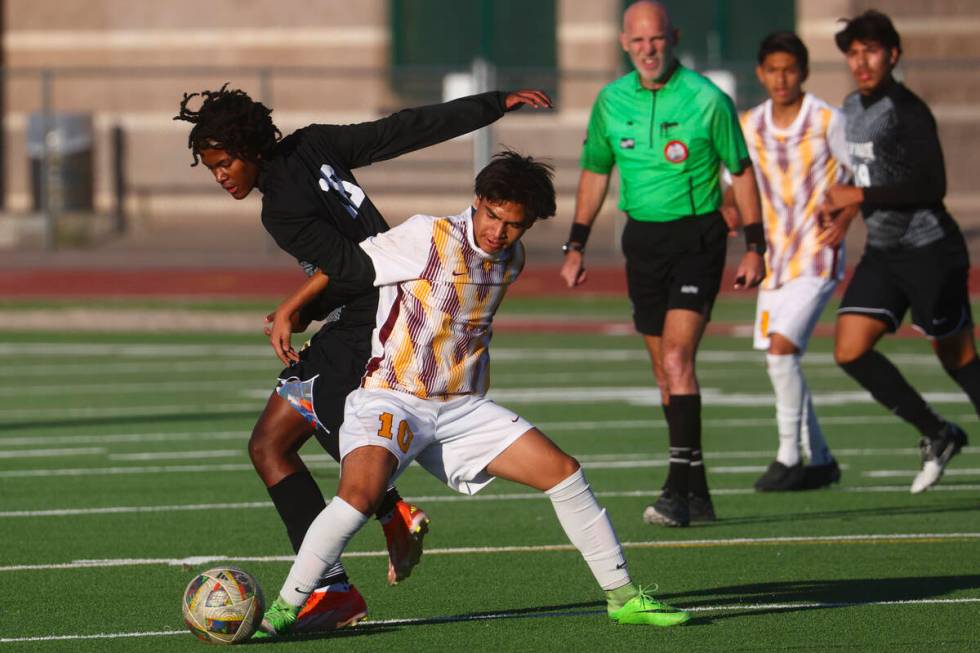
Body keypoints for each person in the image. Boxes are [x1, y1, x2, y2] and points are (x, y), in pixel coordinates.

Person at [255, 151, 691, 638]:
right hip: (391, 397)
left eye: (513, 225)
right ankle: (284, 609)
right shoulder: (428, 235)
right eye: (492, 215)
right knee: (359, 497)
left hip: (461, 407)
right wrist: (292, 308)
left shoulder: (513, 259)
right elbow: (346, 265)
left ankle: (624, 597)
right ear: (478, 201)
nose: (498, 232)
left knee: (564, 473)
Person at [174, 85, 552, 630]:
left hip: (371, 317)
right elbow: (406, 129)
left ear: (250, 148)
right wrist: (491, 104)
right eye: (210, 168)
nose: (220, 175)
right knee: (271, 441)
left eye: (224, 162)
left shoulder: (279, 210)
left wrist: (296, 307)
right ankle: (345, 570)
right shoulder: (314, 145)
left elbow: (355, 268)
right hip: (380, 305)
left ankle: (379, 524)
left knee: (290, 426)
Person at [559, 0, 765, 527]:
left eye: (657, 39)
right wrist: (576, 244)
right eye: (638, 41)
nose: (649, 50)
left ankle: (675, 491)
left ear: (672, 37)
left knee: (677, 360)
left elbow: (741, 173)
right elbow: (595, 173)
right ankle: (698, 491)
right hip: (642, 242)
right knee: (662, 372)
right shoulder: (610, 101)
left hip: (698, 238)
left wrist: (756, 246)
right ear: (624, 44)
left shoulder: (707, 99)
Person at [820, 10, 974, 493]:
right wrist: (845, 214)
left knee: (958, 357)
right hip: (885, 254)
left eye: (872, 51)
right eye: (854, 52)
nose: (862, 61)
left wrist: (858, 199)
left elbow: (932, 184)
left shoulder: (907, 111)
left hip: (931, 251)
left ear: (893, 55)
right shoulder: (850, 106)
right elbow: (865, 174)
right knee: (849, 349)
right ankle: (937, 432)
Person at [723, 32, 852, 491]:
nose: (781, 78)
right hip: (772, 261)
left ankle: (787, 457)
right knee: (781, 359)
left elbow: (858, 177)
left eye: (790, 69)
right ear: (761, 73)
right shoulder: (750, 124)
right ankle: (821, 459)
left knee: (781, 352)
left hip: (817, 255)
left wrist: (847, 215)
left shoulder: (826, 119)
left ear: (804, 72)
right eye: (773, 69)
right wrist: (729, 209)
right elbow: (733, 182)